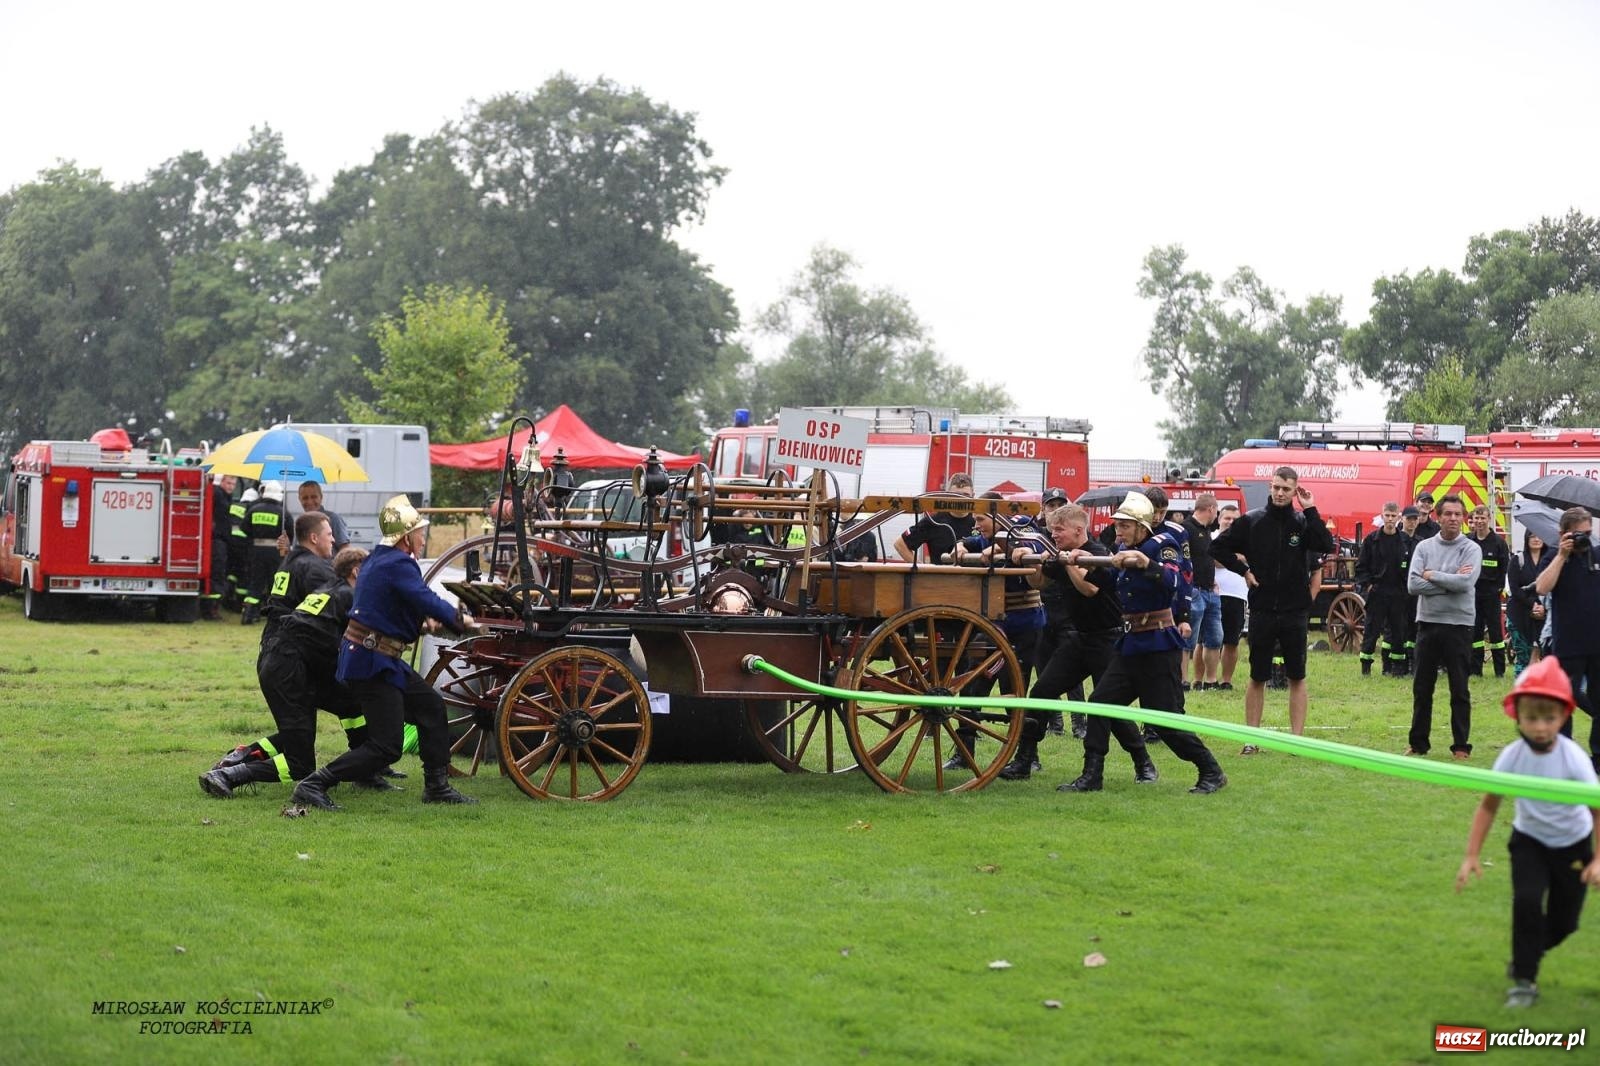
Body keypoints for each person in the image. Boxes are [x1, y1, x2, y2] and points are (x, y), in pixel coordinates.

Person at [292, 495, 477, 810]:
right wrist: (458, 619)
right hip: (372, 661)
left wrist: (420, 622)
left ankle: (437, 787)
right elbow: (423, 596)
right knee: (387, 746)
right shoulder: (398, 563)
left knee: (431, 706)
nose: (422, 538)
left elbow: (390, 604)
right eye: (419, 533)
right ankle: (314, 783)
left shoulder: (378, 559)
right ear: (406, 537)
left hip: (377, 657)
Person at [1454, 657, 1600, 1008]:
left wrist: (1597, 858)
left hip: (1573, 845)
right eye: (1532, 718)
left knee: (1565, 923)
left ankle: (1527, 955)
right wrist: (1471, 855)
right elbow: (1489, 806)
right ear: (1517, 716)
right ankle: (1524, 979)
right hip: (1529, 842)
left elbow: (1596, 809)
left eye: (1549, 719)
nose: (1540, 727)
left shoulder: (1574, 759)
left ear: (1563, 717)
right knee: (1527, 902)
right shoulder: (1512, 757)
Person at [1058, 492, 1227, 795]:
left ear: (1141, 526)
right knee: (1100, 703)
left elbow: (1176, 581)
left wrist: (1146, 562)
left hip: (1158, 646)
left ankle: (1210, 770)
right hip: (1130, 645)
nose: (1118, 532)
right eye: (1117, 526)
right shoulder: (1124, 549)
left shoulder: (1162, 545)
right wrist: (1083, 564)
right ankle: (1092, 774)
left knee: (1163, 721)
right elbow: (1111, 584)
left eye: (1124, 526)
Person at [199, 547, 391, 797]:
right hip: (289, 671)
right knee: (299, 762)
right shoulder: (349, 596)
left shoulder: (330, 590)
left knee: (350, 705)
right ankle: (227, 775)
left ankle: (365, 771)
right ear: (356, 571)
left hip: (293, 663)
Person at [1010, 504, 1157, 783]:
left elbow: (1089, 589)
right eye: (1052, 530)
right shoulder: (1062, 552)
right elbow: (1039, 583)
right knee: (1041, 693)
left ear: (1078, 530)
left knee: (1108, 706)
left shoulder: (1097, 552)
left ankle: (1143, 763)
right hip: (1078, 638)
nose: (1054, 535)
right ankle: (1024, 761)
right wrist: (1029, 561)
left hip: (1108, 639)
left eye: (1059, 530)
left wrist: (1069, 562)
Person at [1209, 466, 1335, 752]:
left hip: (1294, 611)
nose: (1280, 493)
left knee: (1297, 676)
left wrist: (1310, 508)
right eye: (1276, 487)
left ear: (1294, 491)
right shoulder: (1252, 521)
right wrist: (1243, 570)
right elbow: (1216, 549)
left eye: (1286, 489)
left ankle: (1296, 741)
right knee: (1257, 676)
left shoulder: (1302, 522)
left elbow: (1325, 544)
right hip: (1263, 609)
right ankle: (1251, 740)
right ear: (1270, 486)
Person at [947, 493, 1048, 773]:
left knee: (1014, 692)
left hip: (1024, 626)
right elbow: (967, 542)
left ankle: (1028, 756)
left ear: (995, 515)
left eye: (980, 519)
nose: (976, 525)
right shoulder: (983, 535)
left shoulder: (1020, 524)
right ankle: (964, 754)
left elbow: (1034, 543)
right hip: (995, 626)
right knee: (970, 687)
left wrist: (1003, 549)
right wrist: (959, 546)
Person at [1406, 494, 1481, 758]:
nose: (1453, 518)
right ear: (1438, 517)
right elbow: (1413, 585)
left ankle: (1461, 746)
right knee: (1422, 689)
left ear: (1464, 518)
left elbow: (1466, 583)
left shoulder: (1471, 549)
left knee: (1459, 689)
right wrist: (1449, 584)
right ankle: (1418, 744)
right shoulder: (1424, 547)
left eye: (1458, 514)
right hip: (1428, 623)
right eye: (1448, 514)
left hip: (1459, 625)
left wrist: (1432, 576)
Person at [1533, 506, 1600, 773]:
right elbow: (1542, 587)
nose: (1585, 539)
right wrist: (1562, 554)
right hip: (1568, 644)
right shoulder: (1554, 555)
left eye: (1588, 534)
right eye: (1579, 534)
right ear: (1563, 534)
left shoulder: (1597, 554)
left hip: (1597, 643)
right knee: (1564, 702)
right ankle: (1564, 757)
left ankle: (1597, 757)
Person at [1030, 487, 1075, 736]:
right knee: (1044, 668)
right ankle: (1054, 722)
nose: (1055, 510)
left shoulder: (1073, 535)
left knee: (1072, 667)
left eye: (1060, 505)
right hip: (1043, 606)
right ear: (1043, 509)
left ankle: (1079, 723)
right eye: (1051, 506)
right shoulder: (1034, 535)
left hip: (1068, 608)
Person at [1354, 502, 1412, 677]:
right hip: (1378, 592)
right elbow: (1361, 567)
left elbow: (1411, 566)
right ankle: (1366, 667)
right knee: (1371, 631)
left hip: (1398, 593)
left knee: (1399, 632)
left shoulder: (1405, 540)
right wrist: (1368, 586)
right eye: (1387, 515)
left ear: (1399, 517)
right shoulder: (1371, 540)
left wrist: (1407, 587)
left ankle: (1397, 669)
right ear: (1382, 516)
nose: (1390, 519)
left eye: (1393, 516)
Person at [1180, 493, 1223, 689]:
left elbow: (1205, 559)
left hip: (1210, 590)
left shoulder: (1206, 531)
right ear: (1211, 509)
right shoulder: (1186, 528)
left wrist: (1212, 580)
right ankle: (1183, 680)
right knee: (1187, 638)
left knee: (1215, 637)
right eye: (1216, 511)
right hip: (1194, 591)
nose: (1216, 515)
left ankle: (1211, 680)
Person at [1466, 505, 1511, 677]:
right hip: (1472, 593)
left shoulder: (1499, 543)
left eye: (1482, 518)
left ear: (1489, 519)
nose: (1479, 521)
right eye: (1476, 518)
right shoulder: (1468, 541)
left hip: (1491, 594)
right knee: (1475, 632)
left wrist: (1498, 589)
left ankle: (1499, 671)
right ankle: (1475, 670)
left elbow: (1504, 569)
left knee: (1495, 633)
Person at [893, 472, 975, 563]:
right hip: (941, 572)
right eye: (956, 495)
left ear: (973, 496)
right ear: (947, 496)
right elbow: (900, 544)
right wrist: (921, 568)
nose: (961, 500)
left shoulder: (979, 522)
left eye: (965, 495)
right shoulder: (934, 521)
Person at [241, 481, 288, 624]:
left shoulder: (254, 509)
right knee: (274, 583)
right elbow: (290, 532)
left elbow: (244, 528)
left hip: (256, 551)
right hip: (275, 552)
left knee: (255, 582)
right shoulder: (282, 512)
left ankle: (248, 614)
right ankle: (273, 614)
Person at [1506, 531, 1552, 676]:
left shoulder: (1550, 561)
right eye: (1532, 536)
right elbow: (1514, 589)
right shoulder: (1517, 560)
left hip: (1543, 614)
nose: (1537, 539)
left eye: (1540, 536)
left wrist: (1543, 608)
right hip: (1519, 614)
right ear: (1526, 539)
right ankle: (1521, 685)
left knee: (1541, 655)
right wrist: (1533, 605)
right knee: (1523, 657)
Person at [1213, 504, 1247, 691]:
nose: (1231, 522)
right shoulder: (1211, 538)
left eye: (1235, 519)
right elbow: (1214, 561)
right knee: (1209, 641)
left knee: (1232, 641)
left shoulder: (1247, 541)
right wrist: (1237, 557)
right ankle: (1207, 679)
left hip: (1237, 595)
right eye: (1227, 518)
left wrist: (1226, 557)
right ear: (1219, 519)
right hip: (1212, 594)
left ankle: (1226, 681)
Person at [203, 474, 236, 620]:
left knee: (218, 574)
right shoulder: (217, 494)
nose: (230, 486)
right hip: (217, 541)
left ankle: (212, 608)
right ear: (221, 482)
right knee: (217, 574)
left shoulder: (224, 496)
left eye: (233, 484)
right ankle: (211, 610)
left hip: (220, 540)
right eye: (228, 483)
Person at [293, 481, 350, 552]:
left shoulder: (333, 518)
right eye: (305, 498)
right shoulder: (300, 523)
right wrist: (286, 550)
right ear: (299, 499)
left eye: (314, 497)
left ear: (321, 497)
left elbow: (345, 548)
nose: (310, 501)